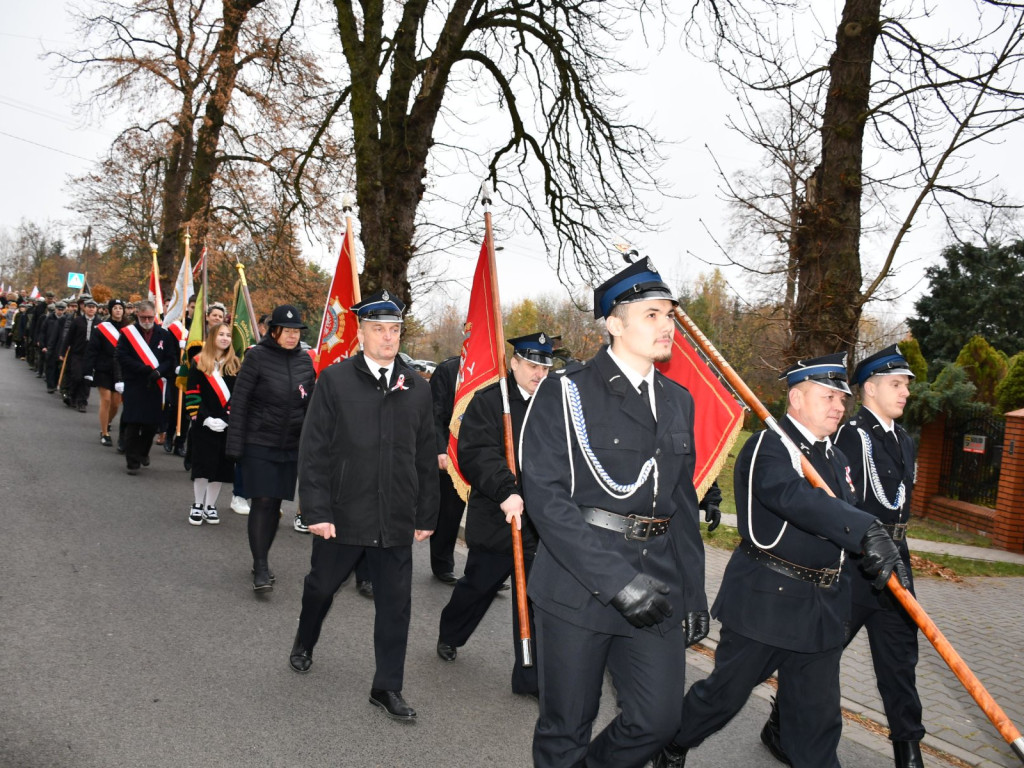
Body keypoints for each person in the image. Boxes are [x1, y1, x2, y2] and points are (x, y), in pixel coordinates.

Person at [653, 353, 910, 768]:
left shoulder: (835, 458)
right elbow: (794, 498)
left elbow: (840, 521)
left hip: (822, 609)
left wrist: (871, 544)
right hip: (767, 602)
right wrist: (864, 527)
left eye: (842, 399)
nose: (839, 406)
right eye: (828, 396)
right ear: (795, 397)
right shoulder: (767, 447)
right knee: (724, 696)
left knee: (818, 721)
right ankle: (672, 740)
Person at [518, 259, 709, 768]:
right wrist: (617, 582)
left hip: (659, 581)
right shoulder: (566, 391)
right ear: (614, 323)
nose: (668, 325)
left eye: (670, 314)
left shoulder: (677, 401)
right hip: (580, 583)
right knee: (566, 726)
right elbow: (547, 499)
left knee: (658, 719)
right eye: (652, 314)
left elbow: (682, 503)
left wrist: (694, 591)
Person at [759, 345, 924, 768]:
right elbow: (834, 499)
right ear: (869, 388)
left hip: (894, 556)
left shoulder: (903, 440)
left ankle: (909, 750)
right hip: (855, 562)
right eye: (896, 384)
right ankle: (781, 722)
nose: (905, 392)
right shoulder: (850, 437)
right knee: (821, 653)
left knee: (900, 659)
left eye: (906, 385)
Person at [288, 289, 438, 723]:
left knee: (396, 607)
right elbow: (313, 450)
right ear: (362, 333)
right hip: (343, 514)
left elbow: (426, 455)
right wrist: (315, 511)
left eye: (395, 330)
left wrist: (426, 513)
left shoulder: (417, 388)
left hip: (395, 519)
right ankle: (305, 639)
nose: (388, 338)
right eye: (379, 330)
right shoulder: (335, 381)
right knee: (321, 587)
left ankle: (386, 687)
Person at [436, 332, 554, 697]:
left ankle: (529, 677)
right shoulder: (489, 402)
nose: (539, 373)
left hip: (543, 523)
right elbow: (477, 454)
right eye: (532, 365)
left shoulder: (554, 405)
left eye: (545, 367)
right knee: (478, 587)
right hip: (499, 517)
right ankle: (450, 633)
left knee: (534, 600)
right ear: (514, 362)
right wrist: (507, 491)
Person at [225, 304, 316, 591]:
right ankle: (261, 566)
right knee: (262, 501)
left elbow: (311, 405)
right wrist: (235, 446)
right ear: (273, 331)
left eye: (296, 331)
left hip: (290, 446)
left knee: (275, 505)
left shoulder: (305, 361)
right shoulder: (257, 357)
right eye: (287, 331)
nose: (292, 336)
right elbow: (239, 402)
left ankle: (259, 557)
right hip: (259, 442)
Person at [184, 323, 240, 526]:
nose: (225, 338)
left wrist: (226, 419)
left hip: (226, 425)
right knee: (202, 466)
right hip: (203, 424)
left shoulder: (235, 365)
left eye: (228, 335)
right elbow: (192, 394)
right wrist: (205, 418)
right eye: (221, 334)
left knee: (219, 468)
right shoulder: (198, 362)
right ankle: (198, 504)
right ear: (212, 337)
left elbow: (238, 397)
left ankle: (210, 505)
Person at [116, 300, 178, 474]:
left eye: (150, 317)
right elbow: (121, 356)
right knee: (133, 424)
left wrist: (159, 372)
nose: (147, 320)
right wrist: (142, 368)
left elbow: (171, 359)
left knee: (151, 425)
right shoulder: (129, 334)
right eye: (143, 317)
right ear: (138, 316)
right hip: (135, 383)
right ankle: (132, 461)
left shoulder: (164, 335)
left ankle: (143, 452)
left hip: (156, 385)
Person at [428, 354, 465, 583]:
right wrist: (440, 449)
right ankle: (442, 564)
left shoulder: (494, 371)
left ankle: (482, 572)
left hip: (481, 454)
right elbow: (435, 413)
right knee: (448, 513)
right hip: (451, 453)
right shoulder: (448, 370)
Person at [84, 299, 127, 446]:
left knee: (116, 403)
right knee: (106, 399)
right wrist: (88, 370)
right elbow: (92, 350)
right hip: (104, 368)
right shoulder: (101, 328)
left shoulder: (129, 329)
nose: (118, 310)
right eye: (115, 308)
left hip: (120, 371)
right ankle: (104, 433)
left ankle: (107, 422)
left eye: (120, 308)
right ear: (110, 310)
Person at [60, 295, 99, 413]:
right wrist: (62, 351)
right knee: (76, 376)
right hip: (77, 353)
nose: (91, 309)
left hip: (91, 355)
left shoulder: (100, 323)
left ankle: (82, 402)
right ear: (84, 308)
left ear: (96, 309)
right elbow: (69, 337)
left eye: (93, 307)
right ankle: (72, 396)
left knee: (86, 379)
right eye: (89, 307)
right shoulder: (77, 321)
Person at [41, 301, 68, 393]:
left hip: (60, 346)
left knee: (58, 367)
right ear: (55, 309)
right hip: (50, 345)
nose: (60, 311)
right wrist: (43, 345)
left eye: (62, 309)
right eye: (58, 309)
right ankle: (50, 385)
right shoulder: (49, 318)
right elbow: (43, 332)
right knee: (50, 366)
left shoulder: (66, 320)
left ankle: (56, 382)